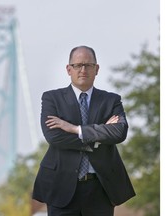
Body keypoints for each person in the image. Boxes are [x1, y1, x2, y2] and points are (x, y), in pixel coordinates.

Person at [32, 45, 135, 216]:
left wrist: (74, 129)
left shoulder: (111, 100)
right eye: (78, 65)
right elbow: (55, 137)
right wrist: (98, 137)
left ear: (97, 69)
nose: (83, 69)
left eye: (88, 65)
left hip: (100, 188)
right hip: (61, 186)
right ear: (68, 69)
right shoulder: (52, 98)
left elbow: (119, 132)